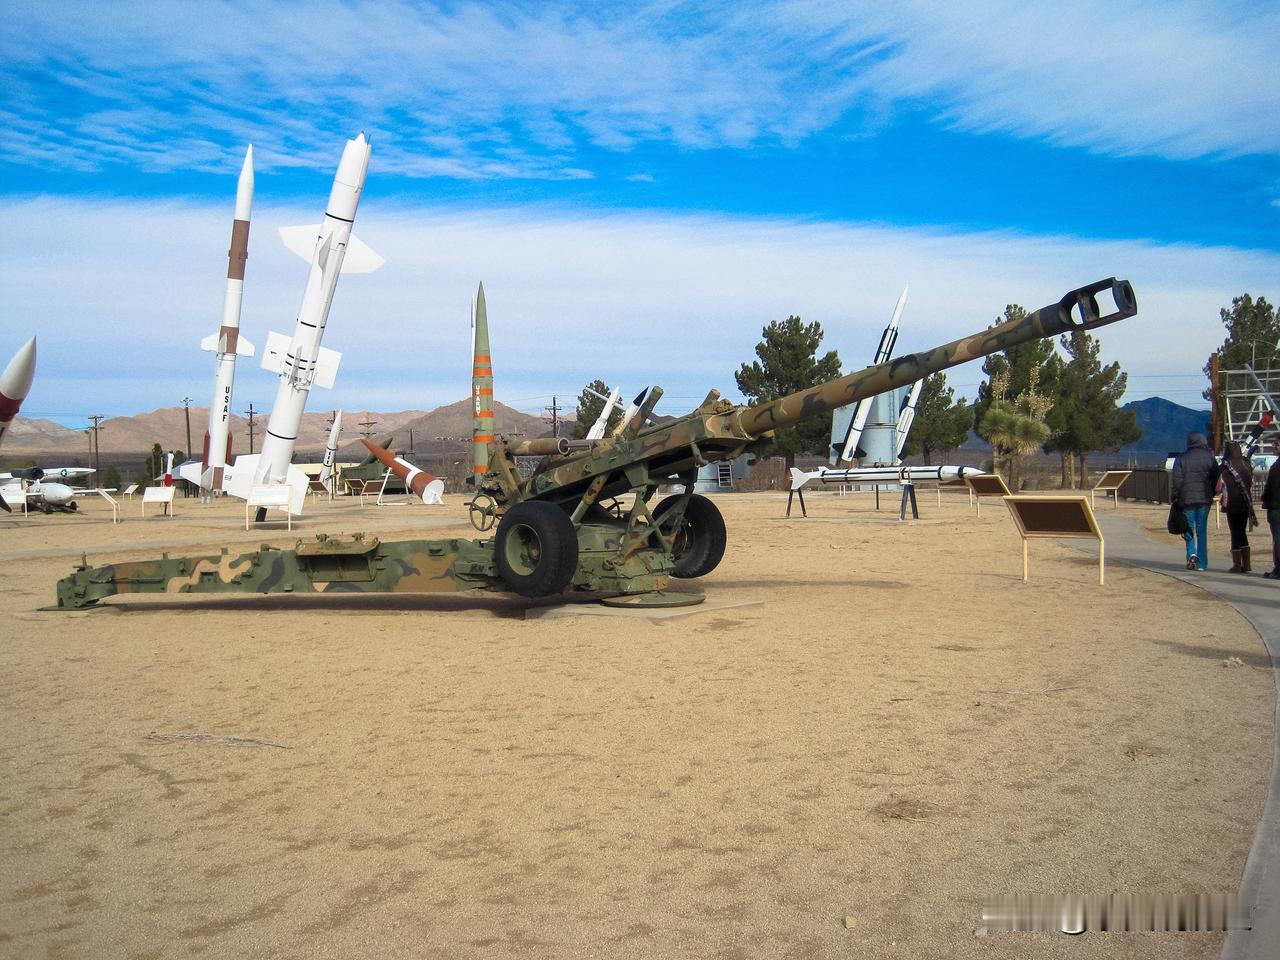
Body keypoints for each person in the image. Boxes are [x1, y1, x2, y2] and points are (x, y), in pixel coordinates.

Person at [1171, 432, 1218, 571]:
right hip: (1205, 499)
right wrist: (1212, 493)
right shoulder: (1210, 457)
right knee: (1201, 531)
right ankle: (1202, 563)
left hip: (1186, 499)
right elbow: (1216, 477)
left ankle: (1191, 554)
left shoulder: (1181, 458)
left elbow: (1177, 480)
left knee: (1188, 528)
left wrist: (1175, 496)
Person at [1216, 440, 1257, 573]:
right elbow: (1252, 482)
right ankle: (1247, 564)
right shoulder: (1246, 465)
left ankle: (1237, 565)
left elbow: (1218, 487)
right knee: (1242, 531)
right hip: (1245, 503)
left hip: (1231, 504)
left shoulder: (1224, 467)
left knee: (1235, 532)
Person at [1263, 437, 1280, 580]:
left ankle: (1278, 570)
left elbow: (1271, 487)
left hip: (1277, 506)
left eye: (1277, 444)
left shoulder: (1276, 466)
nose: (1275, 446)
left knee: (1278, 540)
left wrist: (1265, 498)